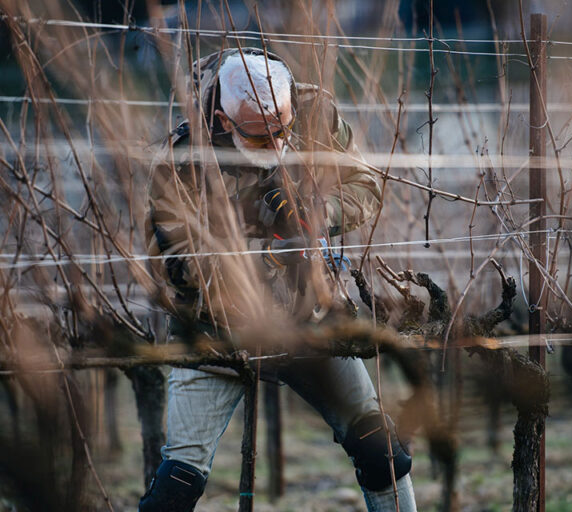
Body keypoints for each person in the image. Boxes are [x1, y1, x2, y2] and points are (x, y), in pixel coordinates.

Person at [139, 48, 417, 512]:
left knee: (381, 451)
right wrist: (263, 255)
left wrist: (319, 212)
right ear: (226, 121)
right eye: (262, 135)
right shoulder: (179, 161)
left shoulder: (316, 114)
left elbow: (367, 187)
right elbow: (177, 269)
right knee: (179, 482)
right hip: (216, 330)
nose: (279, 141)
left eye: (284, 129)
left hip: (309, 316)